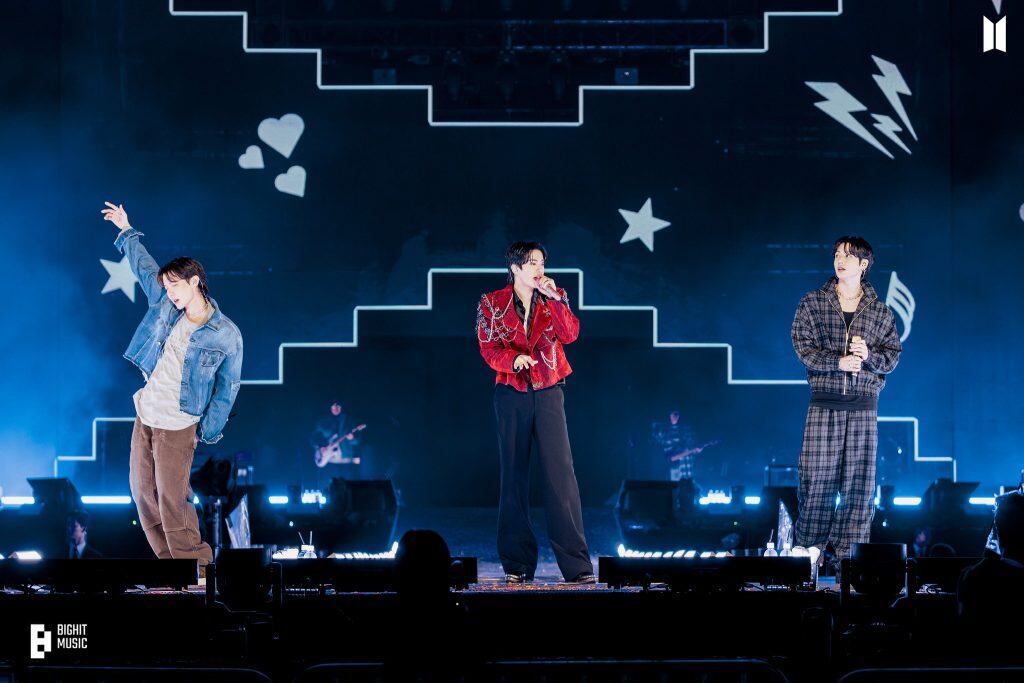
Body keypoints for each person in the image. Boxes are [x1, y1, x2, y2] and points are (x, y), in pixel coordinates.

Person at [102, 201, 243, 572]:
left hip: (178, 424)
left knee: (172, 499)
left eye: (176, 286)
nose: (171, 294)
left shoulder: (225, 333)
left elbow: (228, 388)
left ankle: (197, 569)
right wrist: (126, 230)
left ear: (195, 280)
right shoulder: (167, 305)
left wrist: (205, 430)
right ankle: (171, 569)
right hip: (145, 414)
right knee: (142, 493)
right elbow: (145, 267)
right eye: (167, 288)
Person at [476, 241, 594, 584]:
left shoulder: (553, 298)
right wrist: (513, 360)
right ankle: (517, 565)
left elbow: (570, 334)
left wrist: (557, 299)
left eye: (541, 262)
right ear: (515, 268)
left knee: (561, 477)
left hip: (548, 391)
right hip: (511, 392)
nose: (538, 269)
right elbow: (488, 347)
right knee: (513, 477)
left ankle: (577, 567)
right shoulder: (492, 303)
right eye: (531, 263)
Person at [790, 236, 902, 573]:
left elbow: (892, 357)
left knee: (859, 488)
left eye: (849, 256)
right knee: (816, 484)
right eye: (838, 254)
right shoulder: (812, 303)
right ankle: (807, 561)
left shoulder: (880, 311)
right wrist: (838, 362)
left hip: (863, 407)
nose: (841, 260)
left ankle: (849, 569)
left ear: (864, 265)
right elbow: (803, 348)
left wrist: (868, 356)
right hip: (824, 405)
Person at [651, 409, 715, 482]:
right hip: (674, 471)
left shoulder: (687, 429)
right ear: (668, 414)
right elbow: (670, 456)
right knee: (675, 489)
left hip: (687, 469)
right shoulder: (663, 431)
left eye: (677, 414)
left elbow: (693, 447)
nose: (675, 416)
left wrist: (698, 450)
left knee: (688, 487)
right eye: (673, 414)